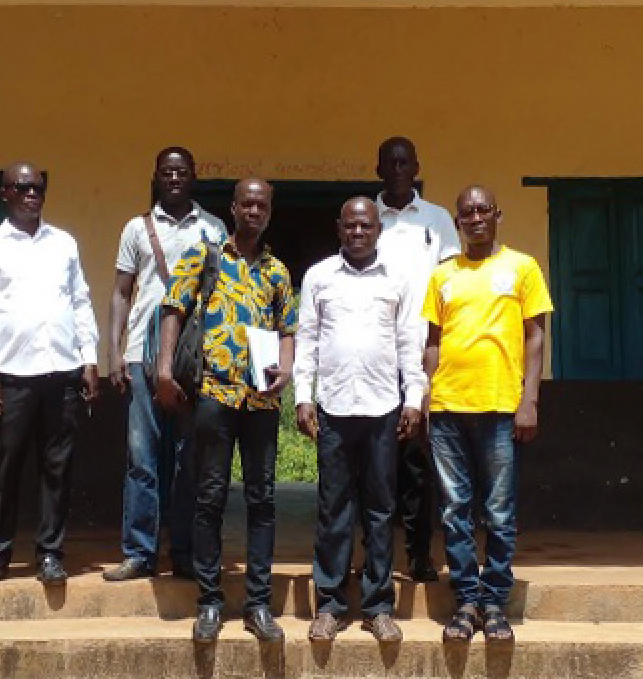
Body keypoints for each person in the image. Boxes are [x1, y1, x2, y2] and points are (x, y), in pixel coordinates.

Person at [155, 178, 297, 644]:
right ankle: (210, 601)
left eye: (262, 205)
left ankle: (258, 604)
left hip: (260, 400)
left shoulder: (277, 271)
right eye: (247, 203)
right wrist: (163, 370)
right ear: (233, 208)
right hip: (213, 396)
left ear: (270, 211)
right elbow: (174, 308)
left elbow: (288, 328)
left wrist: (287, 368)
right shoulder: (207, 255)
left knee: (262, 500)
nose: (254, 211)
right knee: (210, 498)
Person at [422, 185, 551, 643]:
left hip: (500, 406)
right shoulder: (443, 276)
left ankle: (495, 601)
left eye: (482, 210)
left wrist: (529, 399)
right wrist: (426, 396)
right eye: (466, 212)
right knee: (456, 510)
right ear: (457, 221)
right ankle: (466, 602)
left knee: (498, 510)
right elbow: (433, 341)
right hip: (447, 407)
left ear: (497, 215)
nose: (475, 218)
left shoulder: (522, 267)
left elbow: (535, 336)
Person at [294, 198, 425, 644]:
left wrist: (414, 398)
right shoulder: (318, 276)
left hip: (383, 407)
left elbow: (410, 340)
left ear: (378, 230)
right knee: (333, 508)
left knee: (380, 509)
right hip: (333, 407)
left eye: (365, 225)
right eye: (349, 225)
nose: (357, 232)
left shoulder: (398, 279)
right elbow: (307, 338)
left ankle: (378, 606)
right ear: (338, 228)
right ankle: (329, 604)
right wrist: (303, 397)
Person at [0, 162, 100, 588]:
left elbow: (80, 301)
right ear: (5, 193)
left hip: (61, 373)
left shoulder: (64, 245)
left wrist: (90, 357)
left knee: (57, 467)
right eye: (22, 187)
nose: (31, 194)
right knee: (5, 467)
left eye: (38, 187)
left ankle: (50, 553)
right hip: (11, 375)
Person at [104, 147, 226, 582]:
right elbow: (121, 292)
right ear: (156, 178)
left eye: (182, 172)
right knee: (142, 457)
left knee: (189, 459)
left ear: (194, 177)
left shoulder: (214, 228)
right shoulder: (136, 229)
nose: (174, 178)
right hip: (142, 353)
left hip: (194, 361)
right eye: (166, 172)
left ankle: (185, 552)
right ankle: (139, 552)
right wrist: (114, 352)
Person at [374, 136, 460, 583]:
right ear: (379, 170)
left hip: (422, 355)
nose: (398, 169)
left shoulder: (437, 219)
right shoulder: (367, 217)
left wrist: (437, 356)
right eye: (390, 163)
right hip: (371, 358)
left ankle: (420, 555)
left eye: (406, 162)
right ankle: (374, 558)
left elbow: (449, 284)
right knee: (374, 465)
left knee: (418, 464)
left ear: (417, 167)